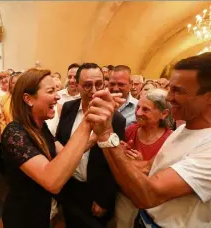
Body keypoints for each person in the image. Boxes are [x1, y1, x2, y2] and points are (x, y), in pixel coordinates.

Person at [87, 53, 211, 228]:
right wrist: (116, 149)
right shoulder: (183, 130)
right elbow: (148, 168)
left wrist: (107, 136)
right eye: (171, 89)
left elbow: (149, 195)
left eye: (179, 91)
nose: (168, 98)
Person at [0, 68, 124, 228]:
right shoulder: (14, 133)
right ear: (28, 99)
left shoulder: (39, 127)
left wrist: (97, 135)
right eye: (51, 91)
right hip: (22, 214)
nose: (58, 96)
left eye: (57, 90)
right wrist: (88, 120)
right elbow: (52, 181)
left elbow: (64, 153)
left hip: (41, 209)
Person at [56, 63, 126, 228]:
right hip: (69, 185)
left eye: (99, 84)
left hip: (95, 191)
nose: (94, 90)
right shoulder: (68, 108)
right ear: (77, 86)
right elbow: (61, 140)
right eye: (87, 85)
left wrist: (103, 199)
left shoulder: (115, 119)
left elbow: (115, 164)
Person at [115, 88, 173, 228]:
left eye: (146, 109)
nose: (139, 113)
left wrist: (140, 163)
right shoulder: (130, 130)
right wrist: (120, 152)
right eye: (138, 107)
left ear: (164, 114)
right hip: (126, 199)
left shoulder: (171, 139)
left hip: (153, 206)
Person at [0, 71, 22, 136]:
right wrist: (6, 136)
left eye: (19, 82)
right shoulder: (3, 100)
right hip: (9, 135)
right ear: (10, 85)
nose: (17, 85)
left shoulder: (30, 99)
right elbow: (1, 122)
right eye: (13, 83)